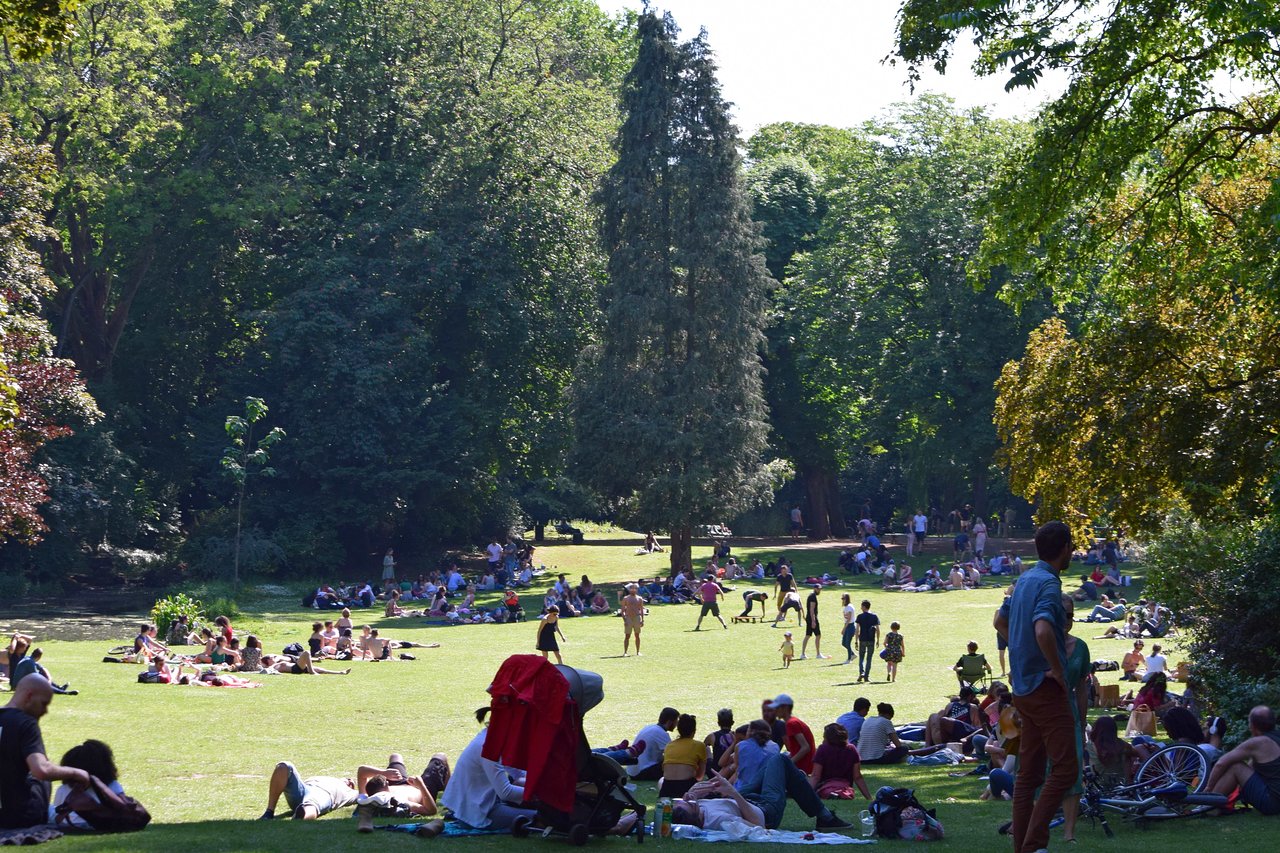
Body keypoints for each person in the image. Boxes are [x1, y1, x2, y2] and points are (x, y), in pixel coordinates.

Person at [994, 520, 1077, 853]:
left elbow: (1000, 622)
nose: (1073, 550)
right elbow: (1043, 630)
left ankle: (1023, 846)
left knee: (1028, 776)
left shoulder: (1024, 578)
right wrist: (1057, 669)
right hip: (1045, 691)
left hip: (1023, 691)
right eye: (1071, 545)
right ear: (1064, 548)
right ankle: (1033, 844)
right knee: (1066, 767)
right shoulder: (1048, 584)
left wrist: (1020, 653)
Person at [0, 676, 92, 829]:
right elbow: (41, 770)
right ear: (29, 696)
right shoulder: (25, 723)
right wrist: (77, 773)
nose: (44, 711)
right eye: (43, 704)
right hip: (21, 816)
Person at [671, 762, 851, 831]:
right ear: (695, 813)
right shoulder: (720, 820)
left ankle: (795, 782)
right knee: (780, 760)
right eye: (691, 803)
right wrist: (732, 791)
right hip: (766, 810)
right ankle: (825, 816)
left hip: (742, 798)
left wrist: (702, 790)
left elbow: (688, 806)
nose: (689, 799)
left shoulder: (693, 809)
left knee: (771, 764)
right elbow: (759, 826)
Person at [1207, 705, 1280, 814]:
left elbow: (1221, 763)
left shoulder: (1258, 743)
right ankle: (1215, 806)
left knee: (1236, 766)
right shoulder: (1276, 737)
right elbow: (1251, 768)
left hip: (1272, 803)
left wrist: (1208, 788)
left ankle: (1208, 807)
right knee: (1244, 766)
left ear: (1253, 726)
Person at [48, 740, 123, 828]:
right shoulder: (113, 786)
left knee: (47, 808)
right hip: (101, 823)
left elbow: (58, 813)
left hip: (69, 824)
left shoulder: (64, 789)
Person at [809, 723, 871, 801]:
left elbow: (815, 776)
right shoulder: (851, 749)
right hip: (845, 787)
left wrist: (806, 795)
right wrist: (869, 798)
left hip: (825, 786)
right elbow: (857, 777)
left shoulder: (822, 749)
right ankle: (839, 794)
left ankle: (833, 794)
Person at [659, 714, 705, 799]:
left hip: (666, 788)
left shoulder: (669, 745)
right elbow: (700, 776)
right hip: (687, 787)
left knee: (661, 781)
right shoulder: (699, 745)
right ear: (694, 731)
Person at [771, 695, 816, 776]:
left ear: (785, 708)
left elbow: (805, 747)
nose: (775, 710)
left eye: (777, 708)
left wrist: (790, 763)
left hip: (803, 769)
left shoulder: (791, 723)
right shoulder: (793, 721)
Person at [854, 600, 879, 683]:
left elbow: (857, 630)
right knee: (869, 658)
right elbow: (878, 630)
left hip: (862, 639)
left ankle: (862, 672)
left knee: (861, 657)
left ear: (864, 607)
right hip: (871, 639)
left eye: (861, 606)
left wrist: (856, 641)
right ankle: (866, 676)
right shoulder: (874, 616)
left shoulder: (860, 617)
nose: (861, 608)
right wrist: (878, 640)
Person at [800, 585, 827, 660]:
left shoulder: (811, 596)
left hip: (809, 618)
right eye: (818, 589)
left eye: (820, 589)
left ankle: (803, 654)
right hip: (812, 618)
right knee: (818, 635)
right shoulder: (813, 597)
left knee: (808, 635)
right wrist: (813, 621)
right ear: (814, 589)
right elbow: (812, 609)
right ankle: (818, 654)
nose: (819, 591)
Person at [620, 584, 645, 656]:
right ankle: (625, 652)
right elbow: (623, 610)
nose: (633, 590)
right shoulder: (626, 598)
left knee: (637, 635)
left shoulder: (640, 598)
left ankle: (638, 651)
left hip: (637, 617)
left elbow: (641, 610)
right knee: (627, 636)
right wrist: (625, 620)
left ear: (637, 590)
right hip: (628, 618)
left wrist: (642, 620)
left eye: (635, 589)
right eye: (631, 589)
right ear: (629, 589)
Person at [838, 594, 857, 664]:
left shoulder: (849, 607)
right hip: (847, 625)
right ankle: (852, 654)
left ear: (847, 599)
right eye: (842, 598)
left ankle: (849, 659)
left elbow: (849, 619)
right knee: (843, 643)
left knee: (847, 643)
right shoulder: (846, 607)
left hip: (850, 626)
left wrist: (844, 629)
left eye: (844, 598)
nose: (842, 600)